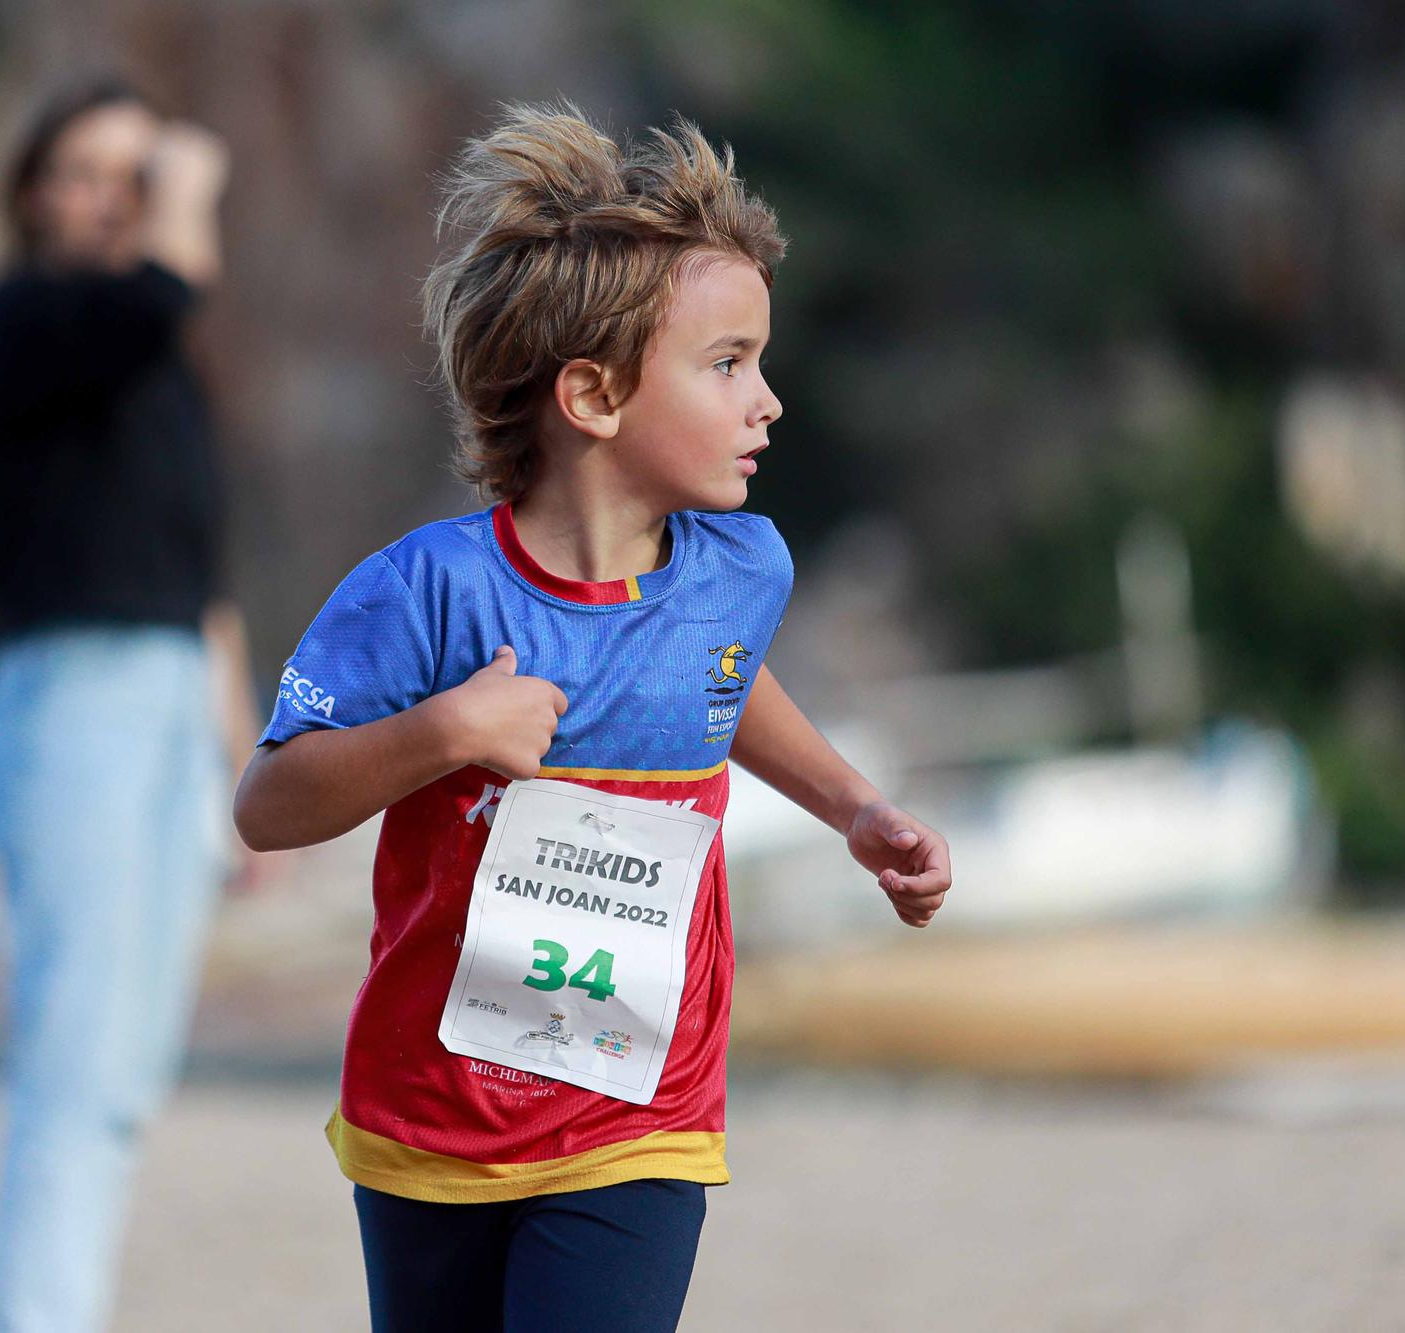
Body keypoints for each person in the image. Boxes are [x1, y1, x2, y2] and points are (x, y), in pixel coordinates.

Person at [232, 103, 953, 1332]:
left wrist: (853, 805)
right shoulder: (425, 594)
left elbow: (723, 681)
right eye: (727, 365)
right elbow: (268, 805)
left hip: (641, 1115)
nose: (767, 400)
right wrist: (443, 733)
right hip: (430, 1116)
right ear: (592, 396)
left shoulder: (739, 571)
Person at [0, 78, 258, 1333]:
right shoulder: (26, 315)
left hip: (165, 708)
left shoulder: (154, 373)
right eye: (83, 172)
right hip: (68, 701)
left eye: (131, 179)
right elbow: (163, 293)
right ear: (32, 190)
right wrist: (186, 190)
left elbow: (193, 568)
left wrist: (238, 749)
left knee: (128, 1073)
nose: (107, 199)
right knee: (73, 1066)